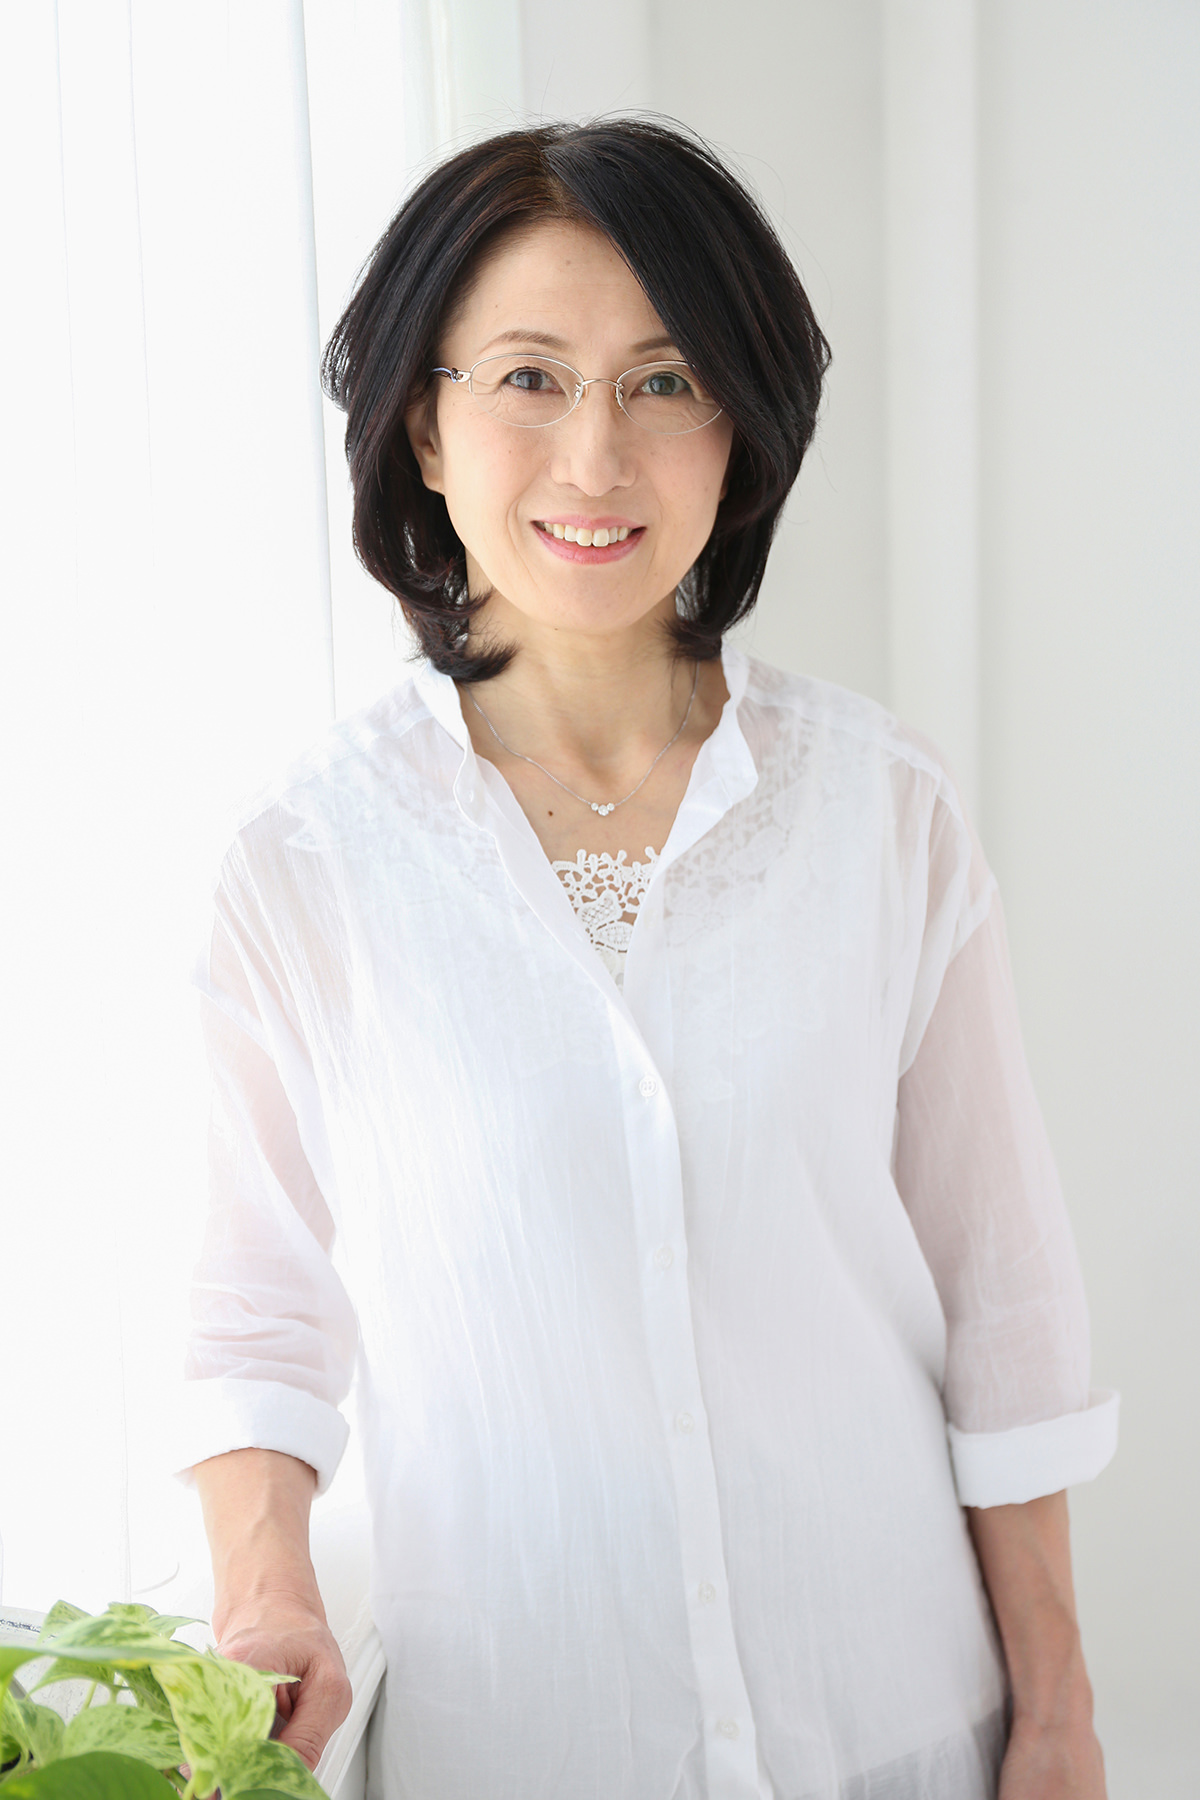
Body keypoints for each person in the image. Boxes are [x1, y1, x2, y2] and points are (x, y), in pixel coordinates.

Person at [178, 118, 1119, 1800]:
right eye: (529, 380)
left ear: (738, 425)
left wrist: (1058, 1711)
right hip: (516, 1748)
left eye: (666, 381)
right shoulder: (304, 863)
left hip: (897, 1728)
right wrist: (266, 1595)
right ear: (424, 424)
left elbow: (1004, 1298)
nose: (597, 456)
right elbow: (252, 1314)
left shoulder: (882, 810)